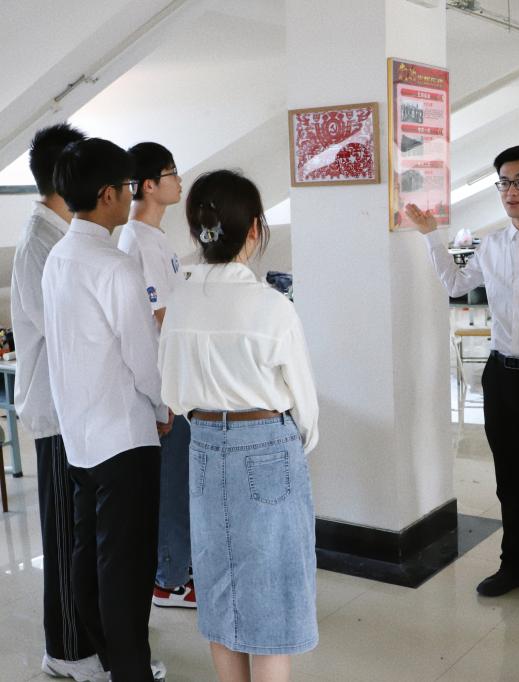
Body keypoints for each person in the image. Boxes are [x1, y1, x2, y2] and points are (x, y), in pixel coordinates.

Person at [405, 145, 519, 614]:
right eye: (504, 183)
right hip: (500, 375)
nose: (511, 191)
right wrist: (431, 235)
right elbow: (455, 284)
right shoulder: (491, 244)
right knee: (509, 479)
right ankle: (515, 564)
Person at [159, 169, 320, 682]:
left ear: (196, 230)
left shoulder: (179, 301)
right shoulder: (271, 305)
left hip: (204, 446)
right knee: (274, 594)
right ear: (254, 229)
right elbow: (305, 407)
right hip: (267, 444)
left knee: (218, 583)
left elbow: (171, 392)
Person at [43, 137, 170, 681]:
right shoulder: (114, 267)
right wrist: (164, 405)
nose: (129, 195)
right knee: (127, 568)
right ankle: (131, 671)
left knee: (90, 560)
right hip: (124, 437)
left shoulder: (59, 257)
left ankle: (113, 661)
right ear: (107, 195)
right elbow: (144, 358)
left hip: (80, 435)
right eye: (125, 186)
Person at [11, 123, 108, 681]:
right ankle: (65, 652)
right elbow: (69, 329)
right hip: (55, 415)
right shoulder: (40, 245)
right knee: (66, 536)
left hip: (79, 411)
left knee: (82, 536)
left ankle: (88, 642)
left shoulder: (61, 234)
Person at [118, 141, 195, 610]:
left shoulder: (157, 237)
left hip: (176, 379)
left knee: (179, 480)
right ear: (148, 184)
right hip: (162, 384)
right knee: (170, 484)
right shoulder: (136, 241)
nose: (179, 180)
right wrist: (165, 398)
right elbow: (158, 319)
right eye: (171, 172)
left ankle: (176, 566)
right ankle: (168, 579)